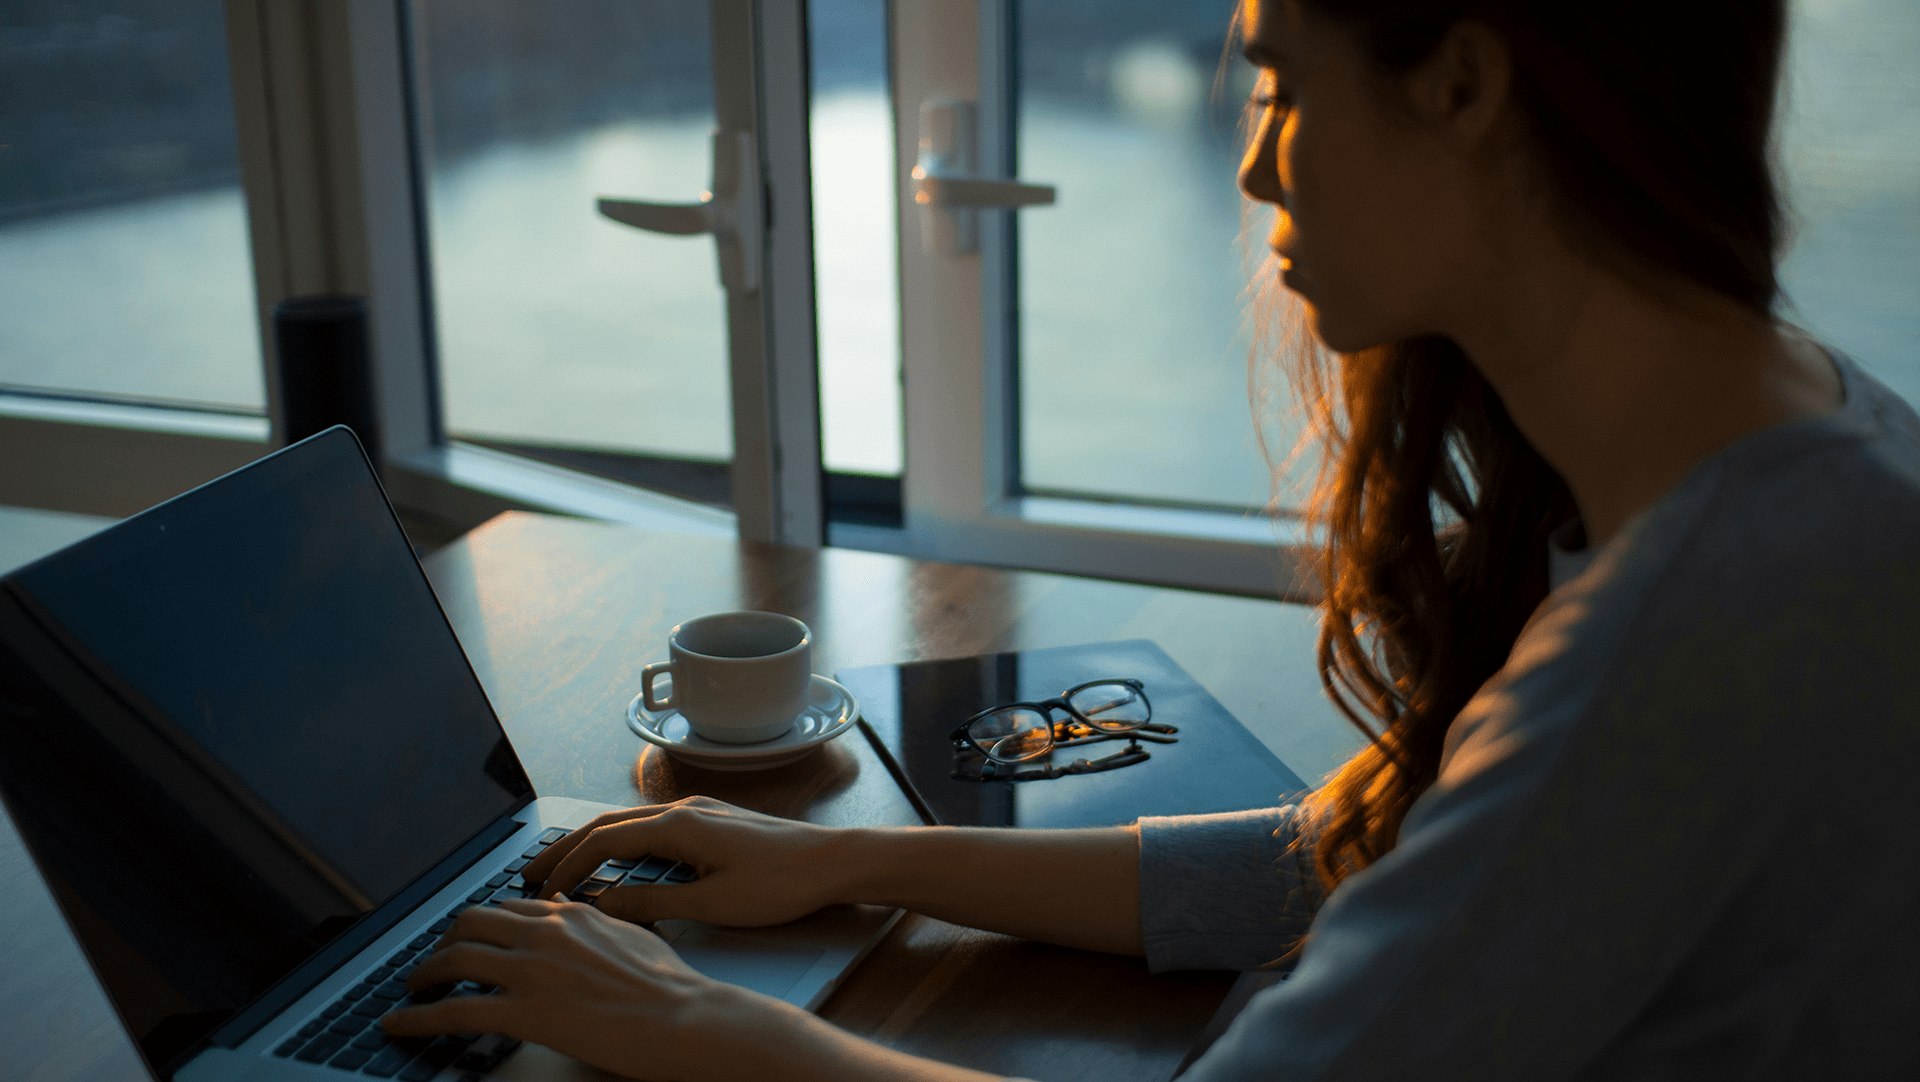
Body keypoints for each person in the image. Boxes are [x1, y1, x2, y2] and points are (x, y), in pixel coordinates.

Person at [383, 0, 1920, 1077]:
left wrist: (711, 1032)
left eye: (1281, 81)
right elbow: (1365, 865)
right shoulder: (1817, 435)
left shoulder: (1685, 637)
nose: (1255, 163)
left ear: (1463, 83)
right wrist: (837, 858)